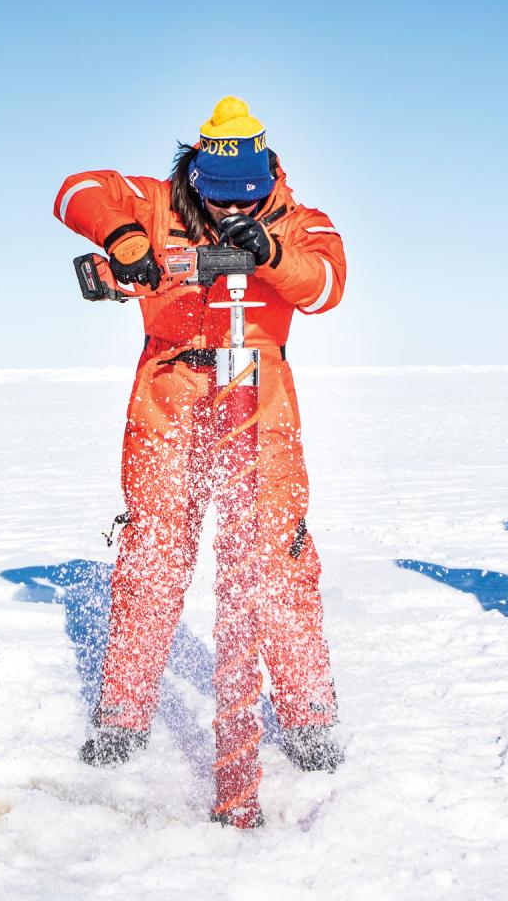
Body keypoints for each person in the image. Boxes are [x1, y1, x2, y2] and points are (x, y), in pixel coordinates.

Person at [53, 96, 347, 773]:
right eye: (214, 196)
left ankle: (308, 720)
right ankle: (124, 717)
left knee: (278, 562)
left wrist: (268, 253)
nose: (224, 210)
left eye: (241, 197)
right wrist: (124, 241)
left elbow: (327, 284)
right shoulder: (156, 205)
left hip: (258, 402)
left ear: (267, 178)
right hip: (169, 401)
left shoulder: (303, 224)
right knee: (152, 561)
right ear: (196, 176)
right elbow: (78, 189)